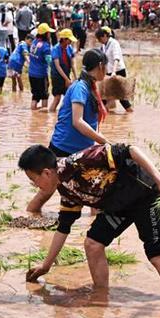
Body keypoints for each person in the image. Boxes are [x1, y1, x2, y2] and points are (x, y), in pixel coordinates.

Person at [19, 143, 160, 299]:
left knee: (158, 257)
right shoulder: (66, 191)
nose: (36, 185)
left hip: (146, 197)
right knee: (93, 244)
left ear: (47, 173)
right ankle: (101, 298)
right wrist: (46, 266)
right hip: (119, 207)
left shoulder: (81, 161)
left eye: (34, 180)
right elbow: (63, 228)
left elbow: (130, 149)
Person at [27, 49, 110, 213]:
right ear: (100, 66)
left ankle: (93, 227)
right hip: (63, 148)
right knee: (48, 190)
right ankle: (29, 217)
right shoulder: (81, 87)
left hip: (82, 150)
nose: (106, 71)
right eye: (106, 67)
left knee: (94, 193)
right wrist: (104, 142)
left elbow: (92, 121)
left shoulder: (91, 87)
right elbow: (77, 121)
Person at [96, 26, 133, 113]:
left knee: (121, 97)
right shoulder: (103, 45)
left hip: (118, 71)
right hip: (108, 72)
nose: (99, 41)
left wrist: (113, 72)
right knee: (105, 95)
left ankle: (130, 113)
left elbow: (116, 58)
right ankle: (104, 115)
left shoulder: (114, 43)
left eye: (100, 38)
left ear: (105, 36)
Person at [48, 29, 77, 112]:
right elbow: (58, 66)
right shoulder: (55, 49)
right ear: (64, 39)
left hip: (66, 74)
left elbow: (72, 63)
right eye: (69, 39)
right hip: (57, 76)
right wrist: (66, 79)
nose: (71, 41)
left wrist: (75, 77)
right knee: (57, 98)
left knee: (70, 97)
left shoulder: (69, 48)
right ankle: (49, 115)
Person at [29, 23, 54, 111]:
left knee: (35, 95)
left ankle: (34, 113)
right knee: (44, 95)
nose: (50, 34)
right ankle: (43, 119)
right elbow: (49, 61)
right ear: (46, 34)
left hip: (31, 73)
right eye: (48, 32)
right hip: (41, 74)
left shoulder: (34, 42)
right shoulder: (46, 46)